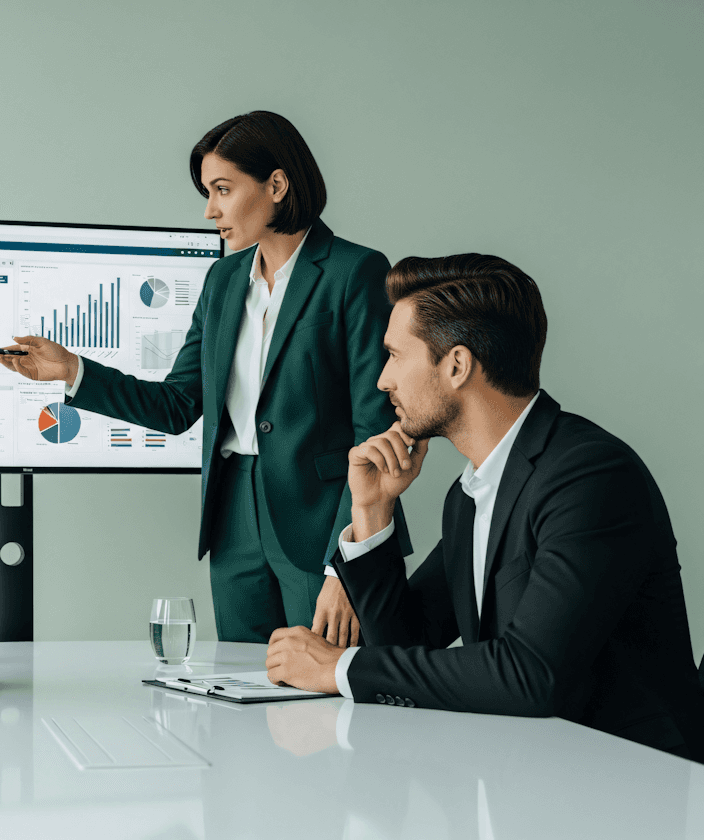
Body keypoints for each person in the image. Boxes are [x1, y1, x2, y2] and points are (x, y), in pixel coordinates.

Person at [0, 111, 409, 643]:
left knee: (320, 693)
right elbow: (177, 405)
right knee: (240, 683)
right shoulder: (223, 279)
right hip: (232, 513)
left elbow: (375, 428)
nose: (211, 210)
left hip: (320, 516)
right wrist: (72, 371)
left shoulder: (356, 271)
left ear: (276, 185)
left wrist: (346, 563)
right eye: (208, 192)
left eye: (223, 189)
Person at [265, 255, 704, 760]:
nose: (383, 381)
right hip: (532, 776)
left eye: (393, 356)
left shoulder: (590, 476)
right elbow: (405, 647)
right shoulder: (470, 494)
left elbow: (531, 674)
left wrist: (336, 668)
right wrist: (371, 512)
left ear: (456, 365)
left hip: (640, 786)